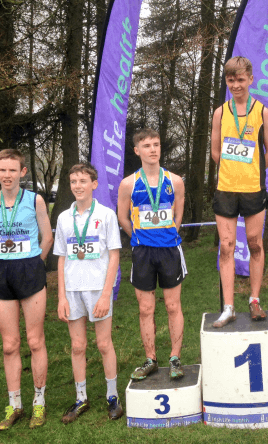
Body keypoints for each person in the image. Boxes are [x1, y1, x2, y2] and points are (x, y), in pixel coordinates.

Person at [0, 149, 53, 430]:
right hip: (2, 274)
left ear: (22, 172)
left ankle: (39, 402)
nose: (7, 175)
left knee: (35, 341)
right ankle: (14, 405)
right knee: (10, 345)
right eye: (3, 170)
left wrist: (36, 264)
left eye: (13, 170)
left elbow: (47, 237)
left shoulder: (34, 200)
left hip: (30, 271)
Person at [210, 56, 268, 327]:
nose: (236, 85)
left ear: (250, 79)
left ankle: (254, 299)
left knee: (254, 243)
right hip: (225, 189)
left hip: (252, 189)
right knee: (226, 247)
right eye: (230, 80)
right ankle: (228, 307)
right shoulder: (220, 112)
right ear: (226, 81)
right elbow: (216, 152)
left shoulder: (262, 112)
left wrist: (252, 168)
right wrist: (233, 168)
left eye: (240, 79)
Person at [54, 163, 123, 423]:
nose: (78, 186)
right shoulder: (63, 217)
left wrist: (107, 294)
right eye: (73, 181)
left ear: (94, 184)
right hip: (72, 290)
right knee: (77, 346)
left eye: (83, 181)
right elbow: (61, 259)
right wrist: (61, 296)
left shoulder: (106, 215)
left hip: (97, 289)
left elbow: (114, 256)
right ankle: (81, 398)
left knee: (104, 344)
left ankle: (112, 396)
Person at [118, 128, 187, 381]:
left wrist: (169, 233)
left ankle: (175, 357)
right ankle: (151, 359)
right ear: (137, 151)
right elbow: (123, 217)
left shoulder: (175, 181)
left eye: (156, 144)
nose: (153, 149)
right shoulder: (128, 183)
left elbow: (178, 214)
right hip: (143, 252)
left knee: (172, 305)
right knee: (146, 308)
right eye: (146, 145)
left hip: (169, 249)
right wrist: (138, 237)